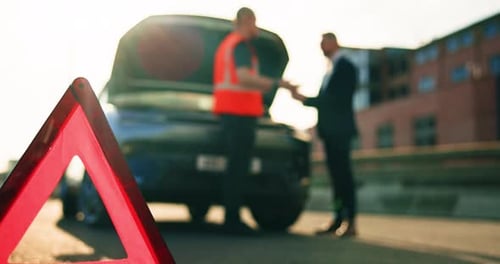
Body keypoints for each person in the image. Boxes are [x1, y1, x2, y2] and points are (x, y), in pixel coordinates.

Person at [212, 7, 299, 235]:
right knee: (238, 168)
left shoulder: (227, 45)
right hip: (239, 115)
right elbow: (244, 78)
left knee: (234, 167)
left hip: (230, 113)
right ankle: (232, 220)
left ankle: (231, 217)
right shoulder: (240, 46)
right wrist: (278, 83)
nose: (256, 28)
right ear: (245, 20)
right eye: (254, 22)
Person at [294, 32, 358, 238]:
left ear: (334, 42)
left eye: (324, 43)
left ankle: (351, 221)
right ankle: (338, 218)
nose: (321, 47)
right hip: (331, 133)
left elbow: (334, 100)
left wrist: (304, 99)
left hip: (340, 132)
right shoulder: (330, 69)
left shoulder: (345, 66)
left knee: (344, 177)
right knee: (336, 178)